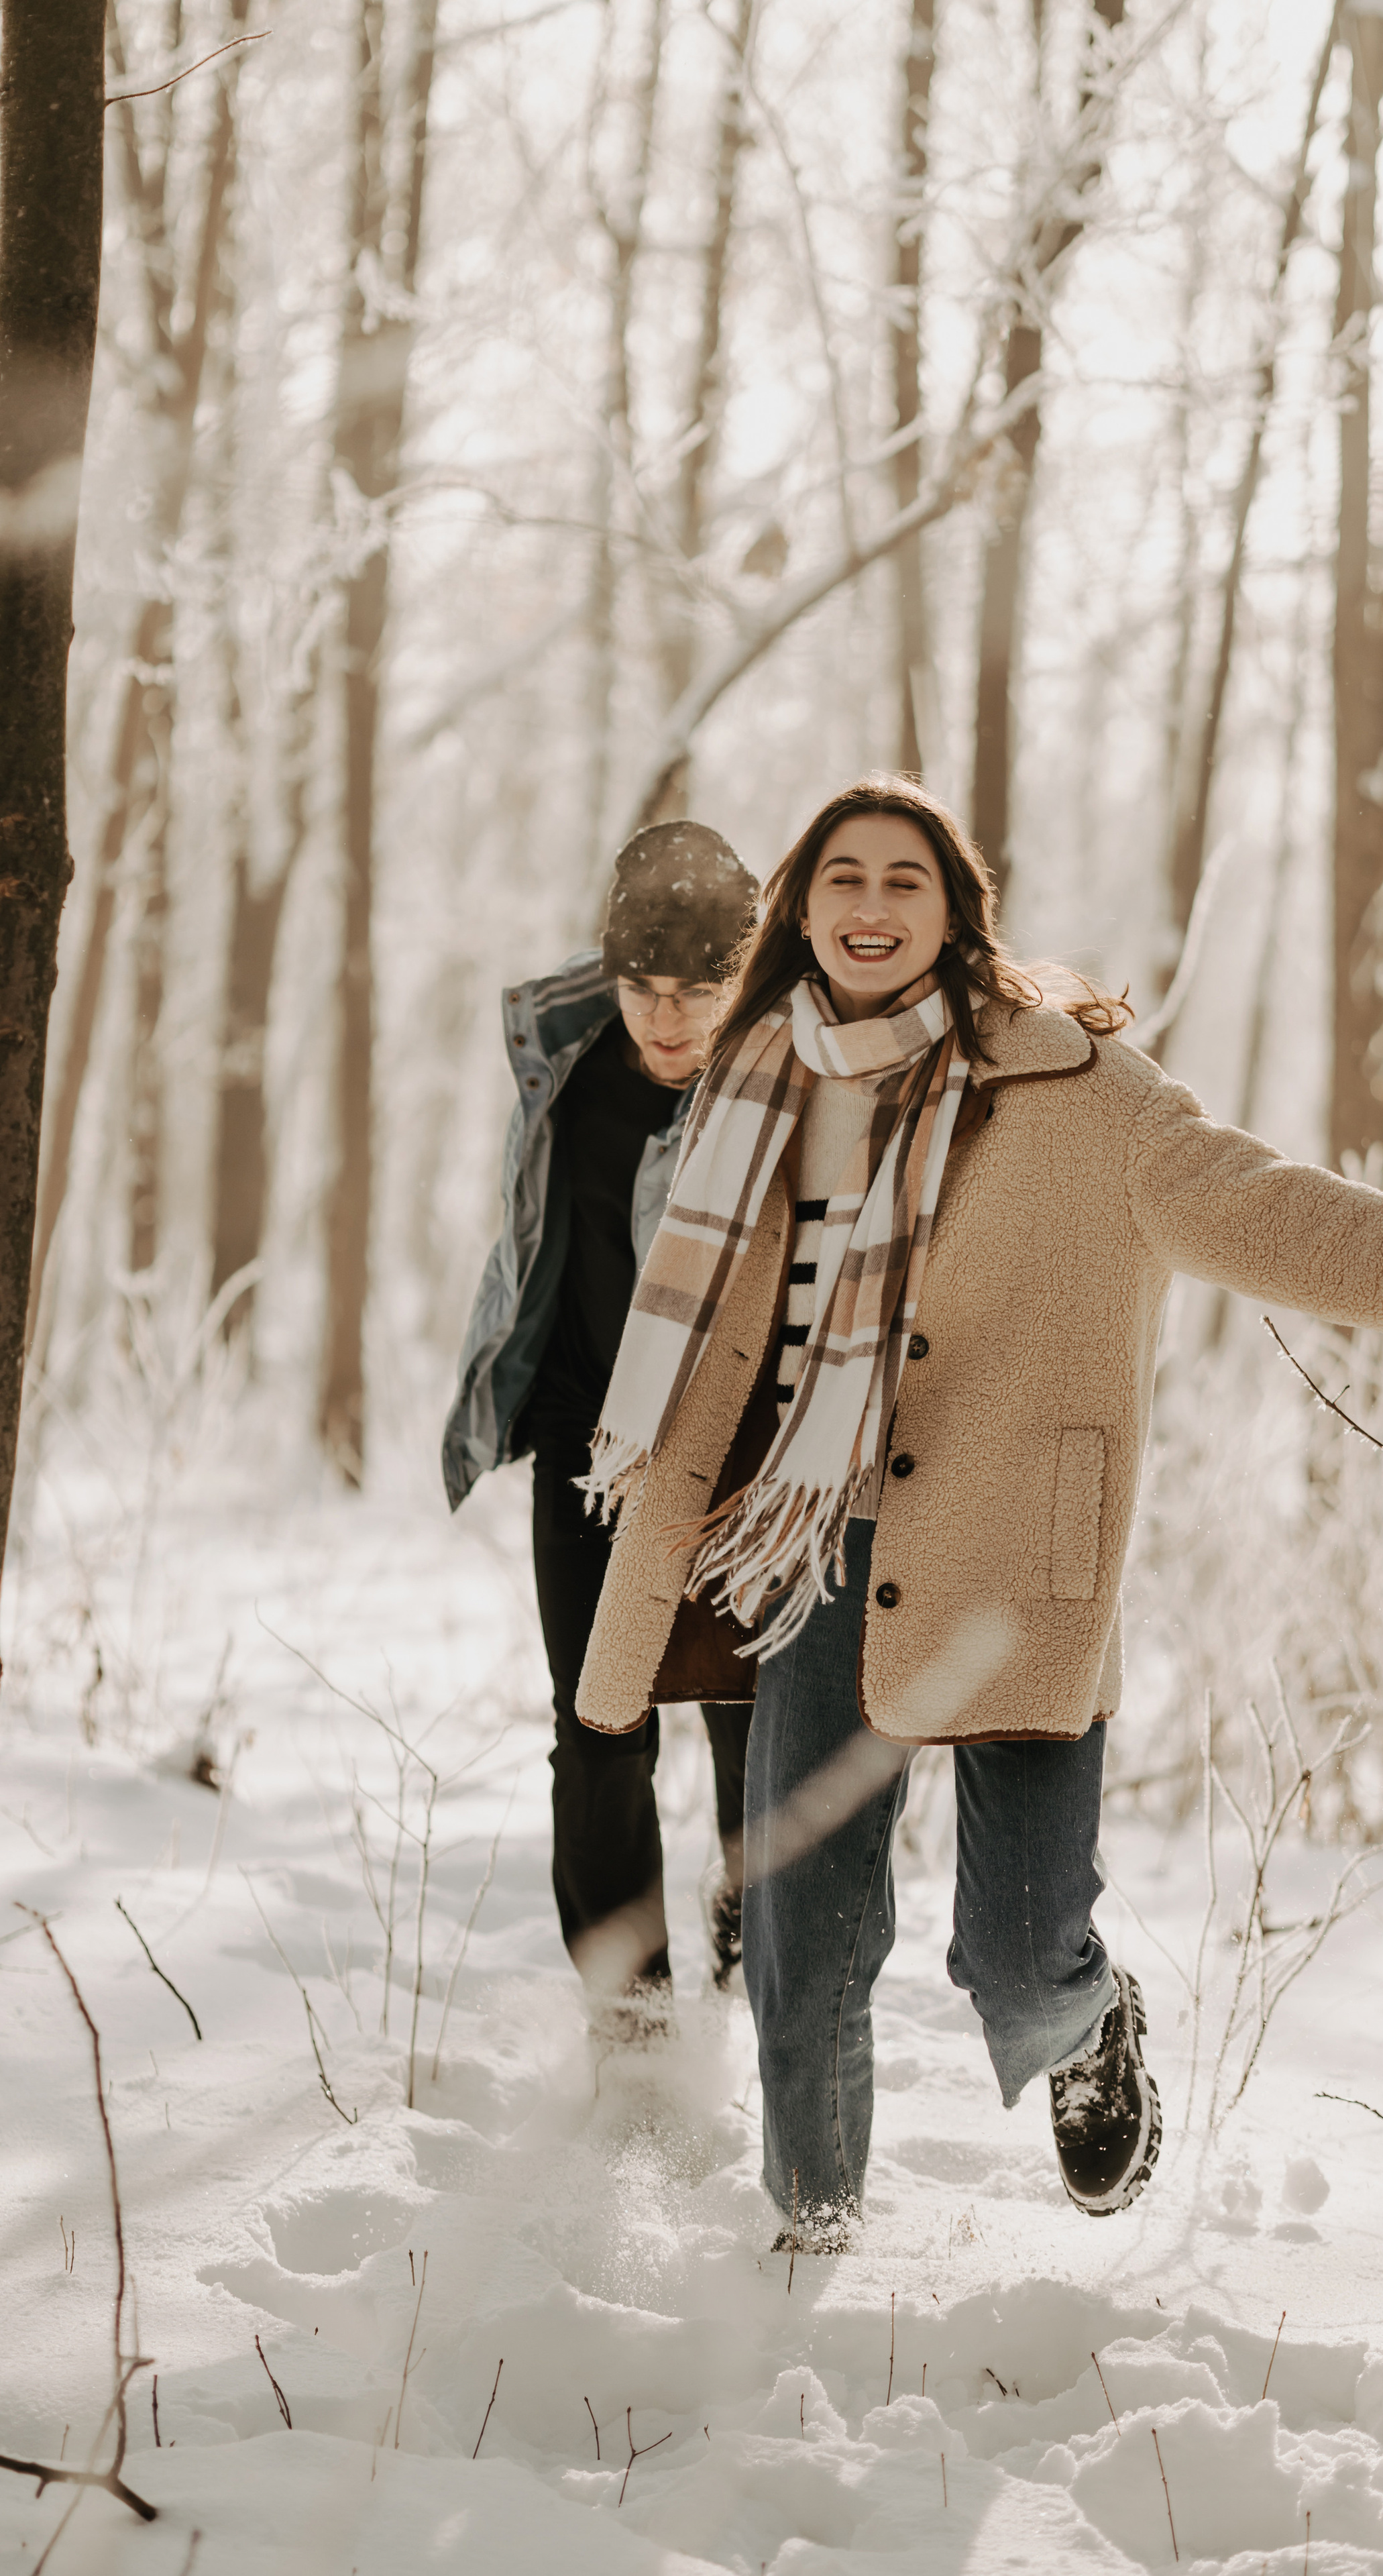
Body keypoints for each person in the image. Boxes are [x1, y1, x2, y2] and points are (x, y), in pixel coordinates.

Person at [573, 777, 1383, 2231]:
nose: (867, 907)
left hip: (1009, 1562)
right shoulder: (751, 1086)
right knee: (803, 1940)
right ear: (799, 904)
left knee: (1022, 1946)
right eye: (840, 878)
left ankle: (1087, 2024)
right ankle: (810, 2237)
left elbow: (1270, 1204)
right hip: (807, 1548)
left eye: (903, 881)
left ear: (955, 912)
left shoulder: (1076, 1091)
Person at [443, 820, 760, 2028]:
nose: (667, 1018)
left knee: (750, 1733)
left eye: (699, 991)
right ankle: (629, 2025)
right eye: (644, 988)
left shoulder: (777, 1089)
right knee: (596, 1731)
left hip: (735, 1451)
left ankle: (752, 1939)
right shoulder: (564, 1056)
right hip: (582, 1440)